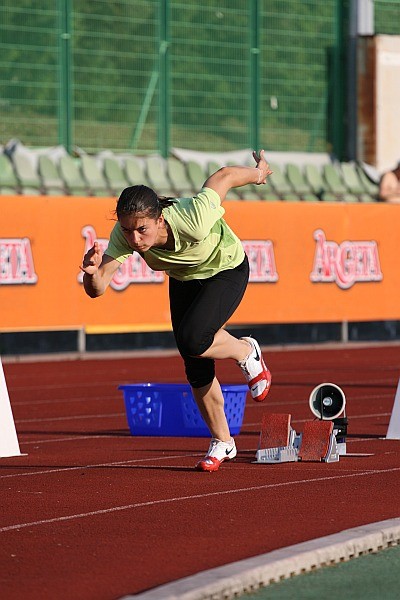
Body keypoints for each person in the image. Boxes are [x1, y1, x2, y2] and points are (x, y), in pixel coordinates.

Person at [81, 150, 273, 472]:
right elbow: (98, 289)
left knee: (193, 338)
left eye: (142, 230)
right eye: (128, 230)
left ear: (159, 219)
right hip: (184, 278)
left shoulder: (192, 219)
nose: (135, 239)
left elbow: (223, 176)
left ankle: (245, 350)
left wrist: (258, 173)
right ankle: (223, 441)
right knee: (193, 359)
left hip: (225, 267)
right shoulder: (125, 237)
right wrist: (90, 273)